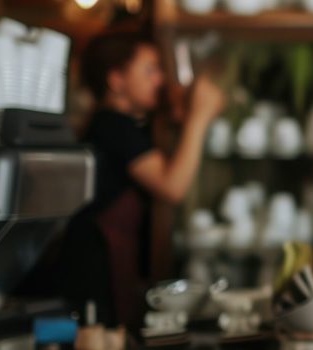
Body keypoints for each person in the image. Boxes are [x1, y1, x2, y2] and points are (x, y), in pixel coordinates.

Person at [60, 31, 224, 330]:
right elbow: (172, 186)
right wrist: (198, 118)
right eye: (150, 70)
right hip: (95, 266)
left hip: (108, 262)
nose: (159, 79)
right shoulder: (113, 124)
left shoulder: (123, 123)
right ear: (116, 80)